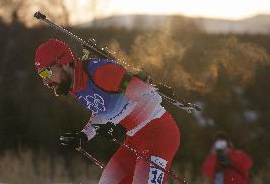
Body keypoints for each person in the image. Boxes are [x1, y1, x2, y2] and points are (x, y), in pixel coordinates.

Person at [35, 38, 180, 184]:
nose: (45, 81)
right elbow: (103, 111)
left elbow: (149, 96)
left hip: (159, 134)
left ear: (64, 63)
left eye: (46, 73)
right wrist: (83, 136)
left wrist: (119, 127)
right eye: (40, 75)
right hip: (134, 139)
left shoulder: (100, 72)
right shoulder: (76, 86)